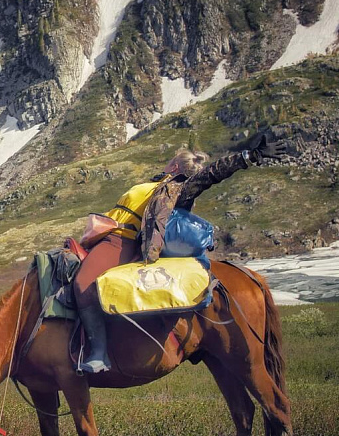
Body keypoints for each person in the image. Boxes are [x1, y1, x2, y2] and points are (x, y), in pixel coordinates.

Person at [71, 133, 287, 374]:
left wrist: (248, 156)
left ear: (175, 166)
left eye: (171, 160)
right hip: (106, 238)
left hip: (122, 241)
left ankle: (98, 353)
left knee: (83, 283)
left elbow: (209, 175)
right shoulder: (153, 186)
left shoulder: (174, 190)